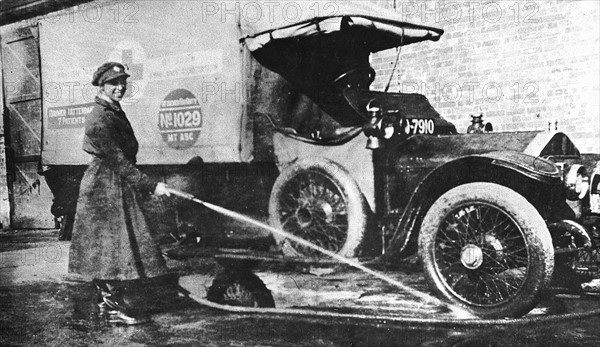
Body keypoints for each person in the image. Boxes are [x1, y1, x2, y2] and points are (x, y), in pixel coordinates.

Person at [68, 62, 171, 325]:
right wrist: (151, 185)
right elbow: (118, 161)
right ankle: (118, 305)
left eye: (123, 82)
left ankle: (110, 301)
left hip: (114, 182)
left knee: (116, 245)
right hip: (104, 186)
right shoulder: (99, 118)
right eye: (114, 83)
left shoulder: (112, 111)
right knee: (114, 246)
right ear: (101, 86)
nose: (120, 87)